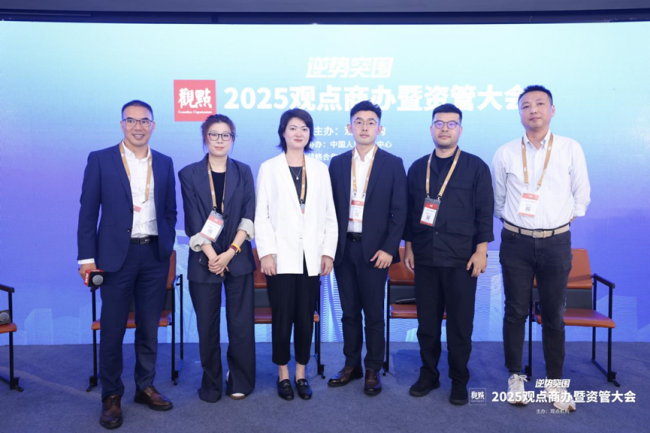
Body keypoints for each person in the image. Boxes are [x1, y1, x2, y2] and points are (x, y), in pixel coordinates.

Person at [77, 100, 177, 429]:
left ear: (153, 126)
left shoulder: (164, 162)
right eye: (131, 121)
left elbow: (170, 210)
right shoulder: (101, 159)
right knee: (113, 329)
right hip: (115, 259)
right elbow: (88, 212)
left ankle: (145, 386)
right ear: (122, 124)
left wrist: (166, 242)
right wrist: (87, 259)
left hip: (154, 256)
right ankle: (111, 395)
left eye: (144, 121)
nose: (138, 127)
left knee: (149, 327)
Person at [492, 85, 590, 412]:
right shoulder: (505, 152)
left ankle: (555, 382)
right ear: (519, 113)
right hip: (516, 241)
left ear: (552, 110)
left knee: (554, 314)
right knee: (515, 311)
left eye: (539, 104)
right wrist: (519, 223)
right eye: (525, 105)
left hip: (556, 242)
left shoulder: (570, 148)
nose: (533, 110)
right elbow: (499, 199)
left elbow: (581, 194)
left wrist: (557, 223)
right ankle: (516, 376)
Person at [403, 103, 494, 405]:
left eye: (451, 124)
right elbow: (411, 212)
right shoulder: (418, 167)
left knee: (460, 324)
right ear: (431, 129)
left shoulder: (476, 167)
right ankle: (429, 374)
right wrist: (409, 247)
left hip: (462, 260)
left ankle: (459, 379)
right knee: (427, 324)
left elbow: (484, 212)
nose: (444, 129)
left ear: (460, 130)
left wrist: (482, 251)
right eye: (439, 123)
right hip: (426, 257)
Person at [254, 108, 338, 401]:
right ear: (283, 132)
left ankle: (301, 373)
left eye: (304, 128)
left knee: (305, 318)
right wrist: (266, 253)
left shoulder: (320, 169)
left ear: (310, 134)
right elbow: (261, 215)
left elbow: (329, 215)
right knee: (282, 317)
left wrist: (328, 253)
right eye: (293, 128)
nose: (299, 133)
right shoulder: (269, 168)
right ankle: (283, 374)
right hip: (280, 258)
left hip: (311, 258)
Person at [327, 100, 407, 396]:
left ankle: (373, 367)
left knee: (373, 314)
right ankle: (351, 365)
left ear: (379, 128)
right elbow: (328, 210)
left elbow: (400, 211)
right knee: (349, 313)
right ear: (349, 127)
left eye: (370, 122)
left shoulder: (392, 163)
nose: (364, 127)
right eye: (358, 121)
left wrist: (389, 249)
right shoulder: (337, 163)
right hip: (344, 250)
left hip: (376, 253)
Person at [178, 114, 256, 403]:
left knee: (241, 324)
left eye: (226, 135)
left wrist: (230, 253)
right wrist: (214, 257)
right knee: (207, 327)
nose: (220, 140)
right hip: (204, 260)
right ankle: (211, 383)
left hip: (237, 256)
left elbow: (249, 216)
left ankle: (240, 380)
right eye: (214, 134)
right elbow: (193, 221)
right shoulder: (188, 174)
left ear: (232, 139)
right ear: (205, 138)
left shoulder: (244, 171)